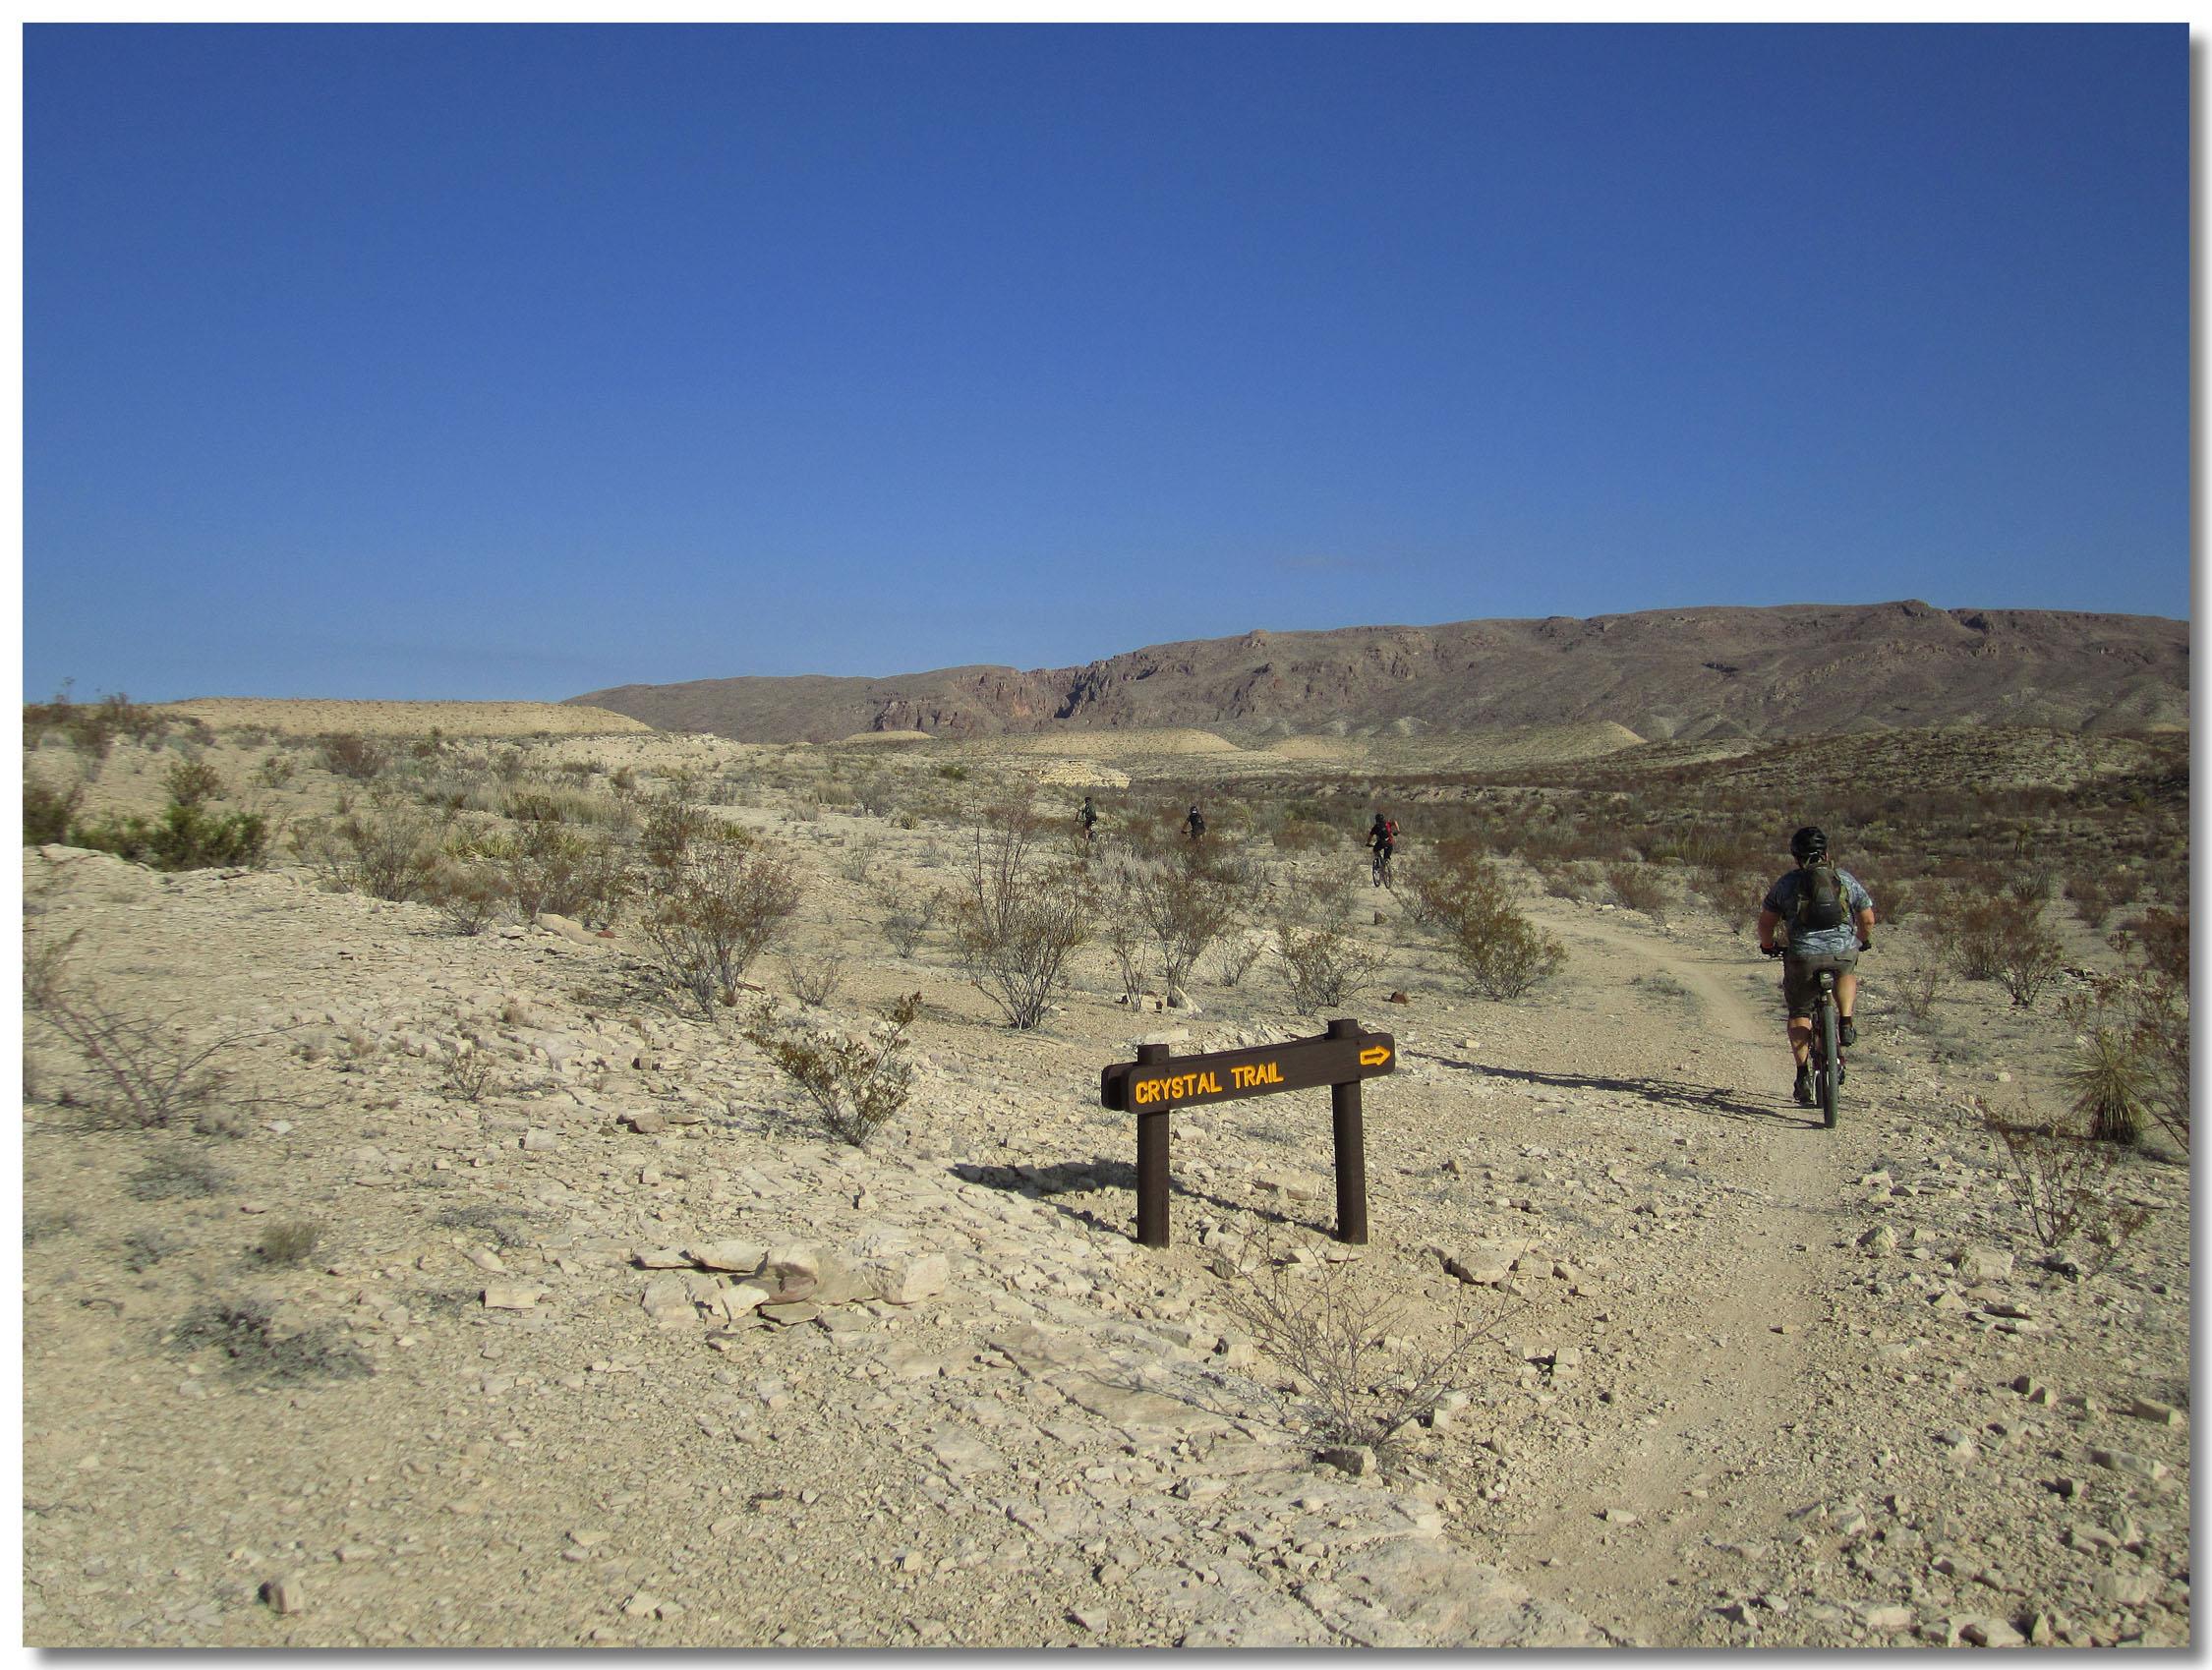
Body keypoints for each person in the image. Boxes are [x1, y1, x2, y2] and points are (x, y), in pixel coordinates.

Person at [1758, 826, 1876, 1107]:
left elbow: (1766, 924)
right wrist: (1862, 940)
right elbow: (1868, 918)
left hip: (1803, 957)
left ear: (1796, 857)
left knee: (1800, 1011)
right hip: (1841, 952)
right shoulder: (1844, 879)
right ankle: (1845, 1018)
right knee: (1846, 972)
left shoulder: (1786, 884)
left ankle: (1802, 1074)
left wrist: (1768, 945)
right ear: (1826, 853)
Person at [1368, 811, 1399, 885]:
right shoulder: (1387, 823)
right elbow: (1395, 822)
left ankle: (1378, 864)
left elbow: (1370, 837)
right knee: (1387, 857)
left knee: (1375, 850)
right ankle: (1386, 864)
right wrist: (1398, 830)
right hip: (1390, 843)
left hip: (1381, 843)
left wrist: (1368, 843)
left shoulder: (1375, 827)